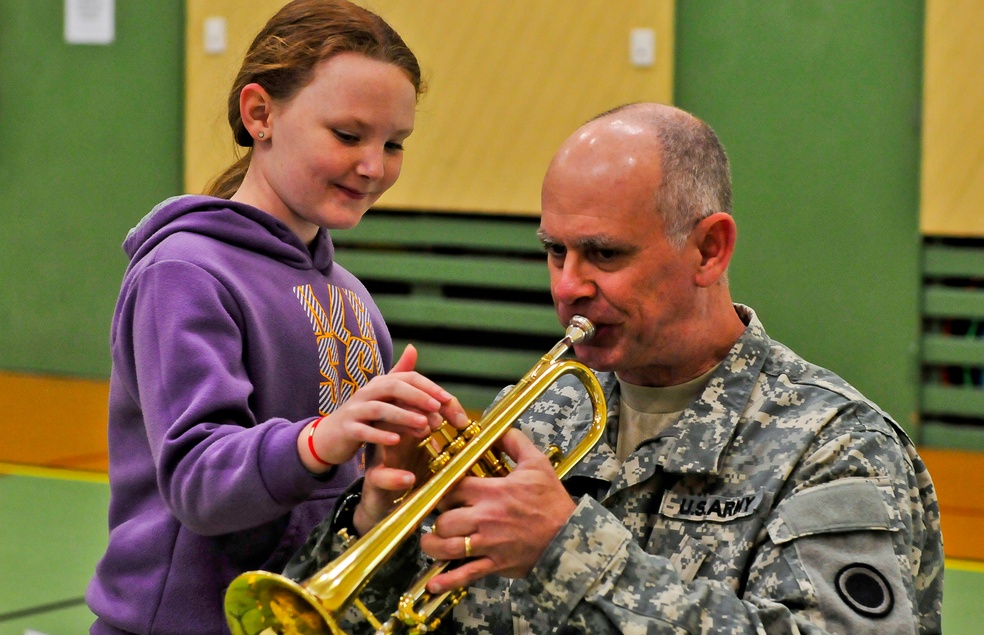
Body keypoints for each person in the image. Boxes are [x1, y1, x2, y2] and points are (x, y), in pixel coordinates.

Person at [285, 103, 944, 634]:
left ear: (709, 249)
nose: (569, 284)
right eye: (554, 251)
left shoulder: (836, 445)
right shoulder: (546, 412)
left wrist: (567, 548)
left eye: (603, 253)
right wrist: (379, 516)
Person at [86, 1, 466, 633]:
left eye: (394, 144)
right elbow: (198, 481)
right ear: (260, 114)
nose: (374, 166)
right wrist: (320, 439)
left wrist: (403, 483)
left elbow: (347, 501)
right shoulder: (184, 272)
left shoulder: (353, 299)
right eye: (348, 135)